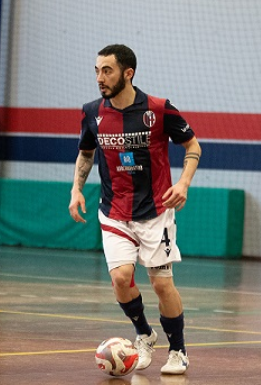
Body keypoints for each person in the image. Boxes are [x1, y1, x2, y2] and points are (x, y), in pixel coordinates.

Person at [68, 44, 201, 375]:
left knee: (161, 285)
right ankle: (144, 334)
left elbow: (193, 146)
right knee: (121, 277)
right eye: (97, 71)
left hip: (156, 210)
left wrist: (183, 183)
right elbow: (86, 153)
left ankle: (178, 351)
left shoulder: (158, 109)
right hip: (114, 210)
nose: (100, 78)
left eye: (107, 71)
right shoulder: (92, 112)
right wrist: (76, 189)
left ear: (128, 73)